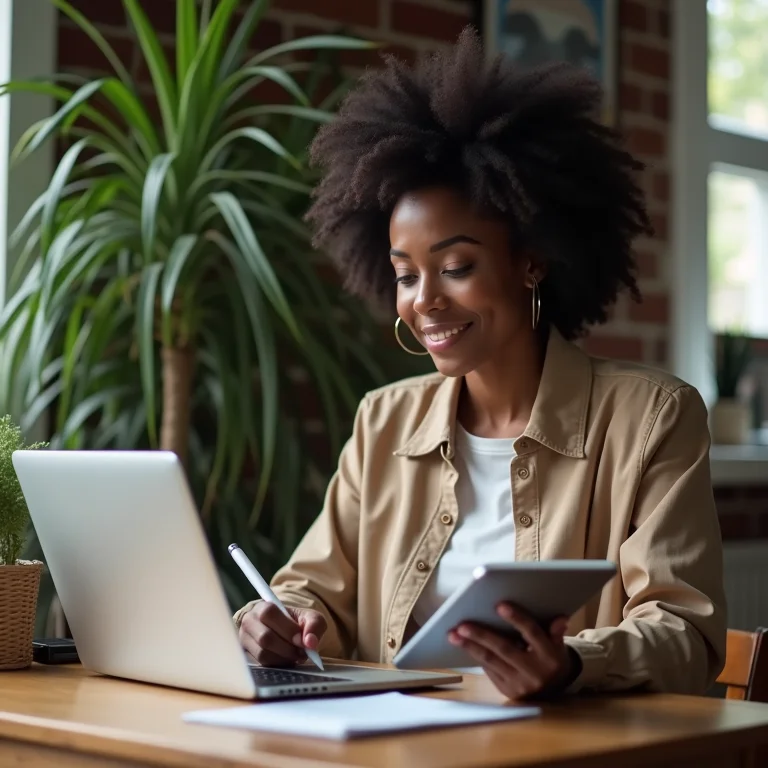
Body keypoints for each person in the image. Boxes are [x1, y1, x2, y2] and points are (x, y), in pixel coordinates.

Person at [234, 27, 726, 700]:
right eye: (406, 275)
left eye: (457, 266)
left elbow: (685, 630)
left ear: (532, 262)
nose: (424, 300)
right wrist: (276, 621)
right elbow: (311, 591)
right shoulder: (384, 421)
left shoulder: (650, 419)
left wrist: (573, 664)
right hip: (394, 740)